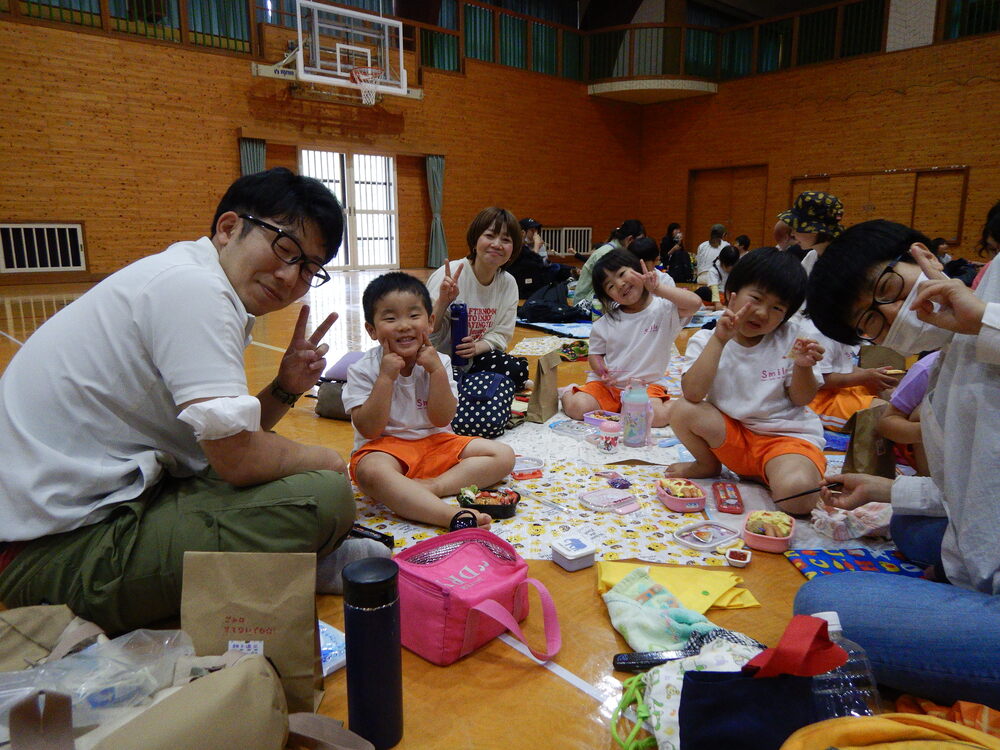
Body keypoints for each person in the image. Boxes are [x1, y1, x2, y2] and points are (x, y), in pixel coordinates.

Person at [0, 168, 364, 633]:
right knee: (324, 495)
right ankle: (292, 560)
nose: (290, 275)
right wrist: (329, 461)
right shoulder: (195, 290)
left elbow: (220, 443)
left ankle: (284, 556)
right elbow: (238, 458)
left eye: (309, 268)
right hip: (53, 554)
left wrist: (285, 387)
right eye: (284, 247)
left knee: (274, 477)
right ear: (229, 228)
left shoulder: (188, 275)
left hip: (82, 514)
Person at [794, 215, 1000, 708]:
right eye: (870, 321)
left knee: (824, 604)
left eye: (887, 288)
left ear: (921, 255)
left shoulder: (980, 318)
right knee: (908, 525)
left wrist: (983, 319)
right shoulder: (946, 361)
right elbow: (974, 485)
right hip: (983, 539)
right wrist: (883, 489)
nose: (890, 313)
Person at [343, 272, 514, 530]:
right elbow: (369, 429)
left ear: (431, 322)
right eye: (390, 318)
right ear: (372, 330)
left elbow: (442, 418)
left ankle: (433, 487)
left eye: (414, 315)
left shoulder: (439, 362)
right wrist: (386, 378)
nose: (404, 326)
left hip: (437, 442)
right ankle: (449, 516)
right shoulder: (363, 368)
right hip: (386, 450)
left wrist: (436, 372)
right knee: (370, 472)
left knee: (503, 455)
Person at [666, 248, 827, 515]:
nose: (762, 313)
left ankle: (771, 473)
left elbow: (802, 399)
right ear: (732, 294)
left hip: (784, 439)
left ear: (786, 316)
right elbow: (693, 394)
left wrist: (803, 366)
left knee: (799, 497)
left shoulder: (792, 337)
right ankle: (708, 465)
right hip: (733, 438)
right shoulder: (706, 339)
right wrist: (719, 340)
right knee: (682, 409)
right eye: (756, 299)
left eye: (777, 308)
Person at [780, 190, 900, 429]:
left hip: (832, 356)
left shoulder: (848, 265)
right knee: (888, 415)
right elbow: (821, 377)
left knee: (898, 401)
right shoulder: (812, 260)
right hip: (819, 383)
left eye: (797, 227)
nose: (792, 234)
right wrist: (864, 375)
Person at [560, 249, 701, 427]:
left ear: (639, 270)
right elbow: (595, 354)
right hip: (608, 387)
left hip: (646, 387)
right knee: (578, 408)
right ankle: (566, 392)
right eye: (610, 286)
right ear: (607, 296)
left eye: (622, 274)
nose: (620, 284)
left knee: (654, 417)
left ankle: (673, 405)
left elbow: (695, 303)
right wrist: (602, 371)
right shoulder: (605, 322)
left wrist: (657, 289)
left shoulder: (664, 309)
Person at [426, 207, 521, 365]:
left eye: (505, 240)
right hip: (439, 361)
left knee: (515, 369)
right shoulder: (449, 275)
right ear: (475, 241)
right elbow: (426, 334)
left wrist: (476, 348)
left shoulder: (508, 283)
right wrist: (442, 302)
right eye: (490, 236)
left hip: (477, 357)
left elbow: (502, 333)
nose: (497, 244)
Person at [877, 350, 941, 476]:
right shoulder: (929, 368)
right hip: (936, 458)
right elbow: (887, 422)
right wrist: (931, 432)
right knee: (922, 412)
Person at [572, 219, 645, 311]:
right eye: (640, 241)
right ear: (630, 239)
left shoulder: (614, 250)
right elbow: (608, 290)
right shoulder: (607, 253)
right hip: (586, 304)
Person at [507, 217, 571, 298]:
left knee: (562, 268)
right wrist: (536, 246)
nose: (536, 234)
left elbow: (543, 261)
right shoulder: (518, 247)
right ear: (523, 233)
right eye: (532, 231)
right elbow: (532, 265)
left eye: (537, 231)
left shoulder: (537, 244)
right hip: (525, 281)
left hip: (540, 271)